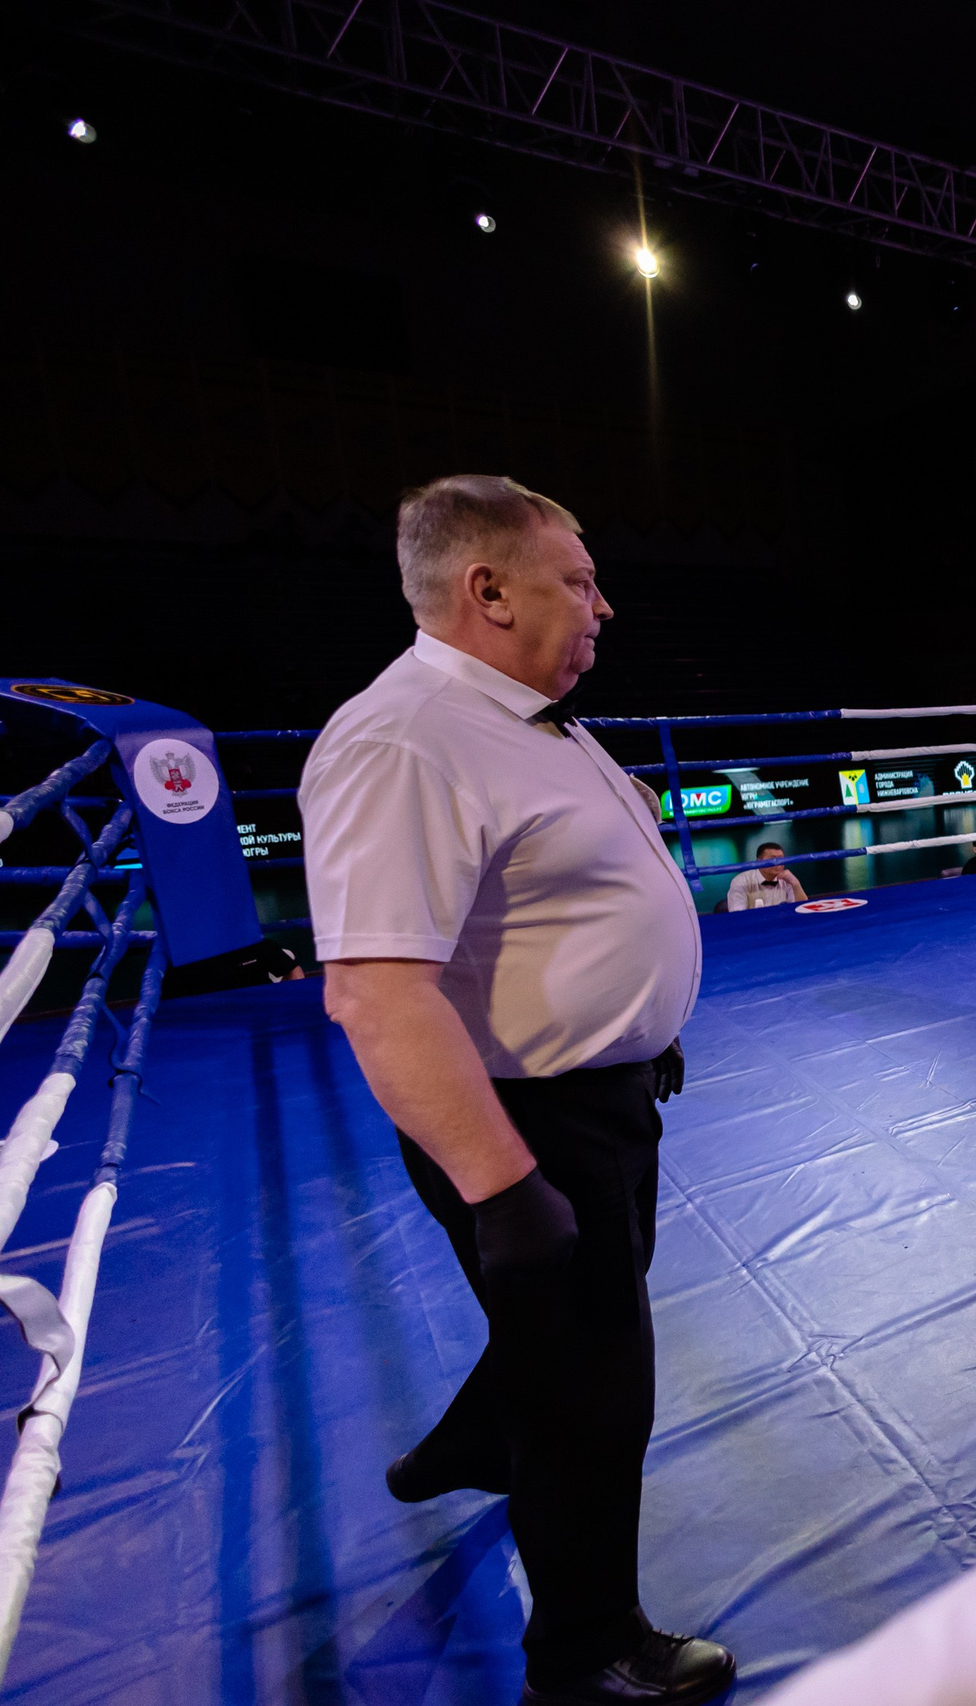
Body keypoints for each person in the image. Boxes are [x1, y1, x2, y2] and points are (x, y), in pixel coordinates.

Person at [301, 476, 733, 1705]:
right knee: (595, 1389)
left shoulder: (528, 719)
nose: (604, 604)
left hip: (601, 1096)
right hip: (524, 1122)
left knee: (573, 1336)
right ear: (487, 590)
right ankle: (585, 1652)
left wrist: (638, 1028)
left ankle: (473, 1439)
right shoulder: (405, 739)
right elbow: (375, 992)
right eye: (577, 581)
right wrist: (501, 1185)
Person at [722, 841, 806, 911]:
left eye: (781, 858)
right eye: (772, 859)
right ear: (759, 862)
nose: (778, 863)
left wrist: (795, 883)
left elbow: (802, 910)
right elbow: (737, 915)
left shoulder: (788, 879)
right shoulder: (741, 881)